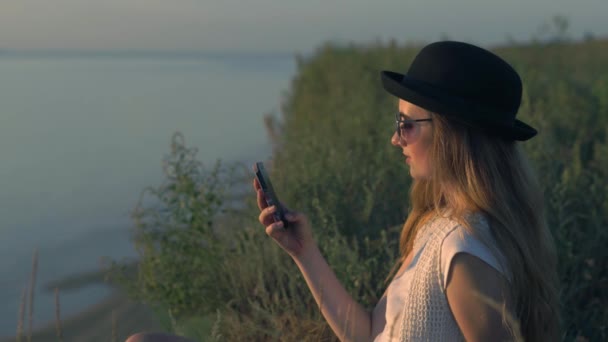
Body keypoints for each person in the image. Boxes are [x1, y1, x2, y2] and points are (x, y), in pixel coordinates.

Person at [125, 41, 561, 342]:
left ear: (455, 135)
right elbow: (372, 332)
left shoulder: (466, 252)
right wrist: (304, 252)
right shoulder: (439, 225)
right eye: (397, 124)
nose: (396, 139)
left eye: (408, 124)